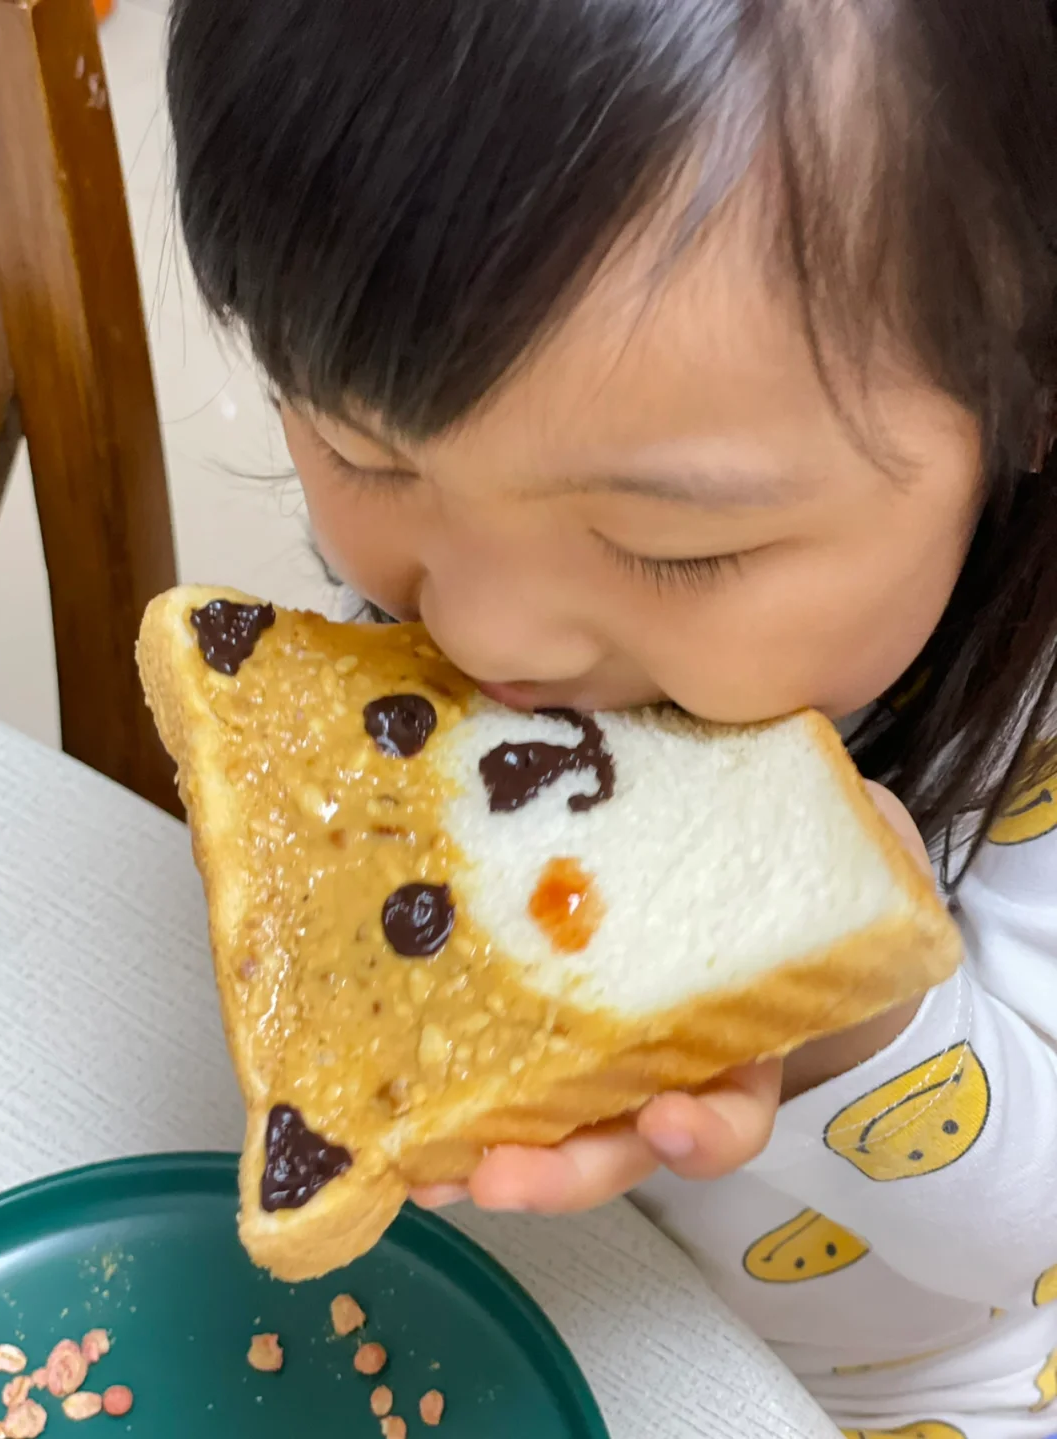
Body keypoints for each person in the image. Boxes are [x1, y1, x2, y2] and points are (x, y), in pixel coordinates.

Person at [164, 0, 1057, 1430]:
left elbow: (1028, 1250)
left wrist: (852, 1009)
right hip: (535, 1290)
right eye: (361, 450)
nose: (482, 633)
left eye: (675, 549)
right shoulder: (493, 553)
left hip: (922, 1378)